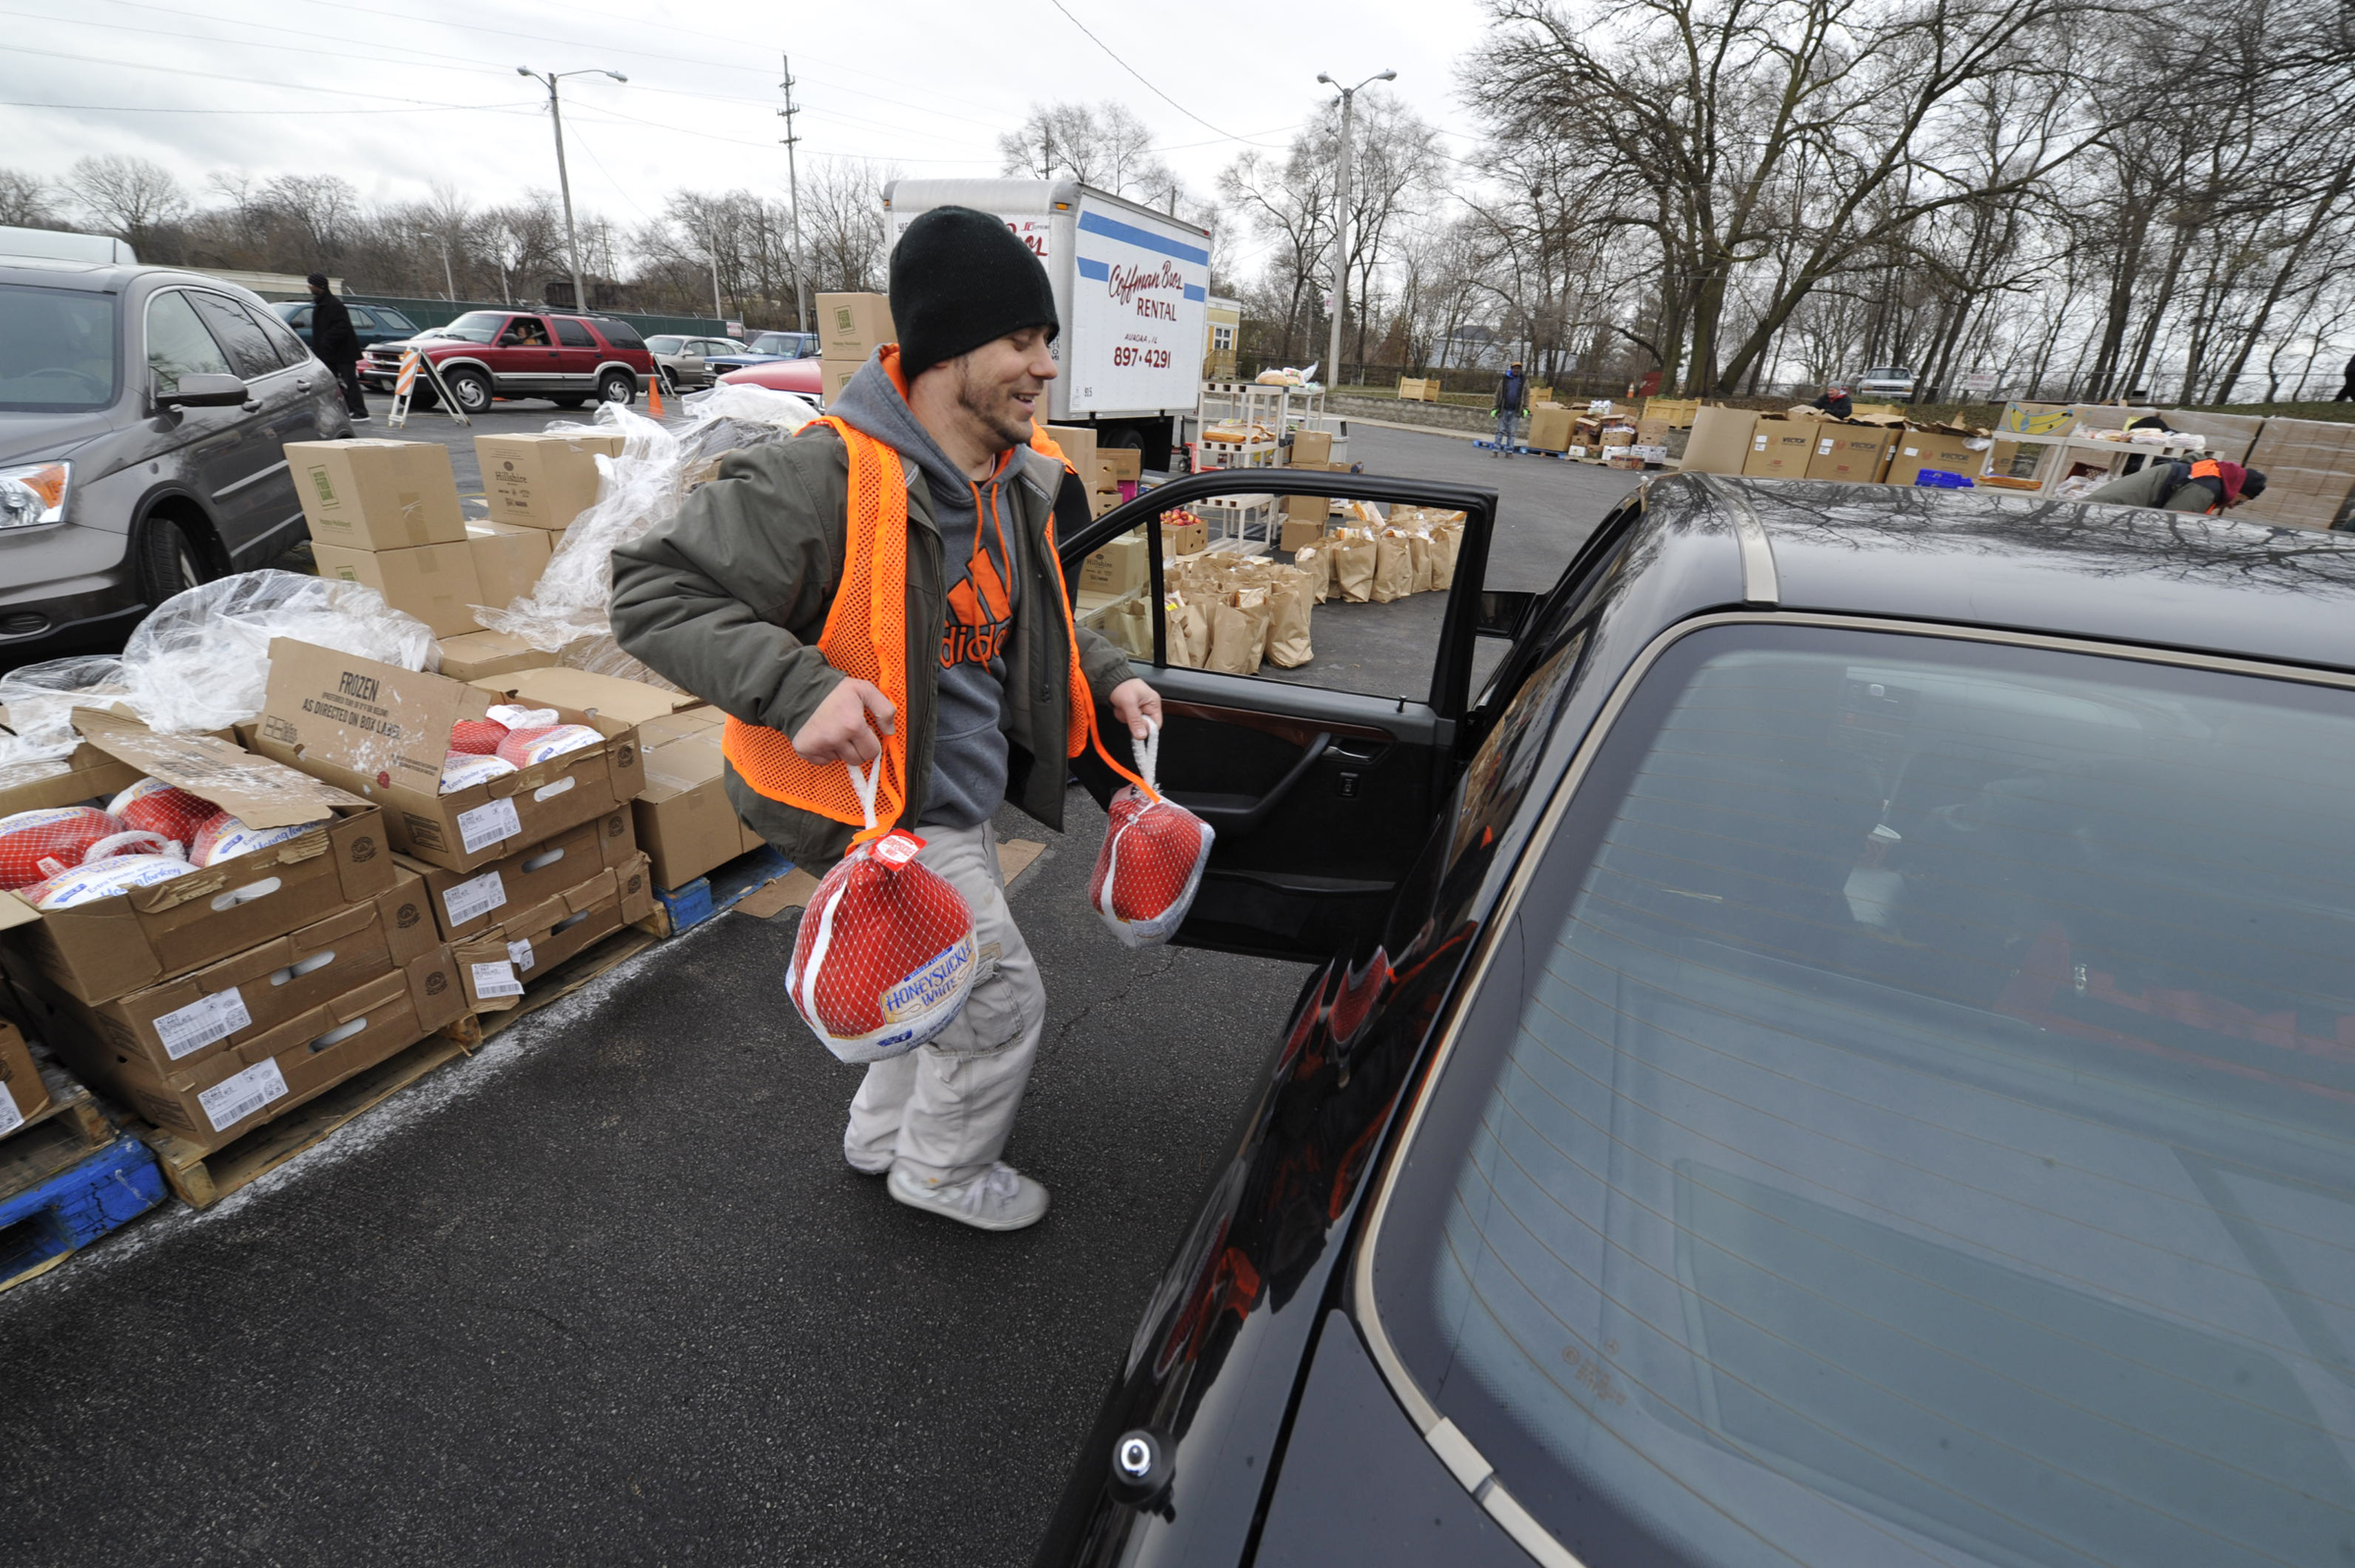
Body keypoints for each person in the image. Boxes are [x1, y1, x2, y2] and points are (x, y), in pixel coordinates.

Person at [609, 207, 1161, 1234]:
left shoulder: (1016, 473)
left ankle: (879, 1135)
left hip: (948, 792)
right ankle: (942, 1172)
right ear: (951, 349)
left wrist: (1110, 671)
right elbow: (651, 593)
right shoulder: (822, 476)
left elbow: (1029, 611)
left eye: (1048, 341)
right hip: (871, 796)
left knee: (935, 973)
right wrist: (799, 686)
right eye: (1022, 341)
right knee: (999, 1004)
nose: (1045, 367)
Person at [2082, 458, 2268, 514]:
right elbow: (2168, 526)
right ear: (2236, 488)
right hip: (2104, 512)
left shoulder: (2205, 475)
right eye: (2240, 501)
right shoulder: (2205, 488)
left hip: (2103, 508)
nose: (2232, 506)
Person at [304, 274, 367, 424]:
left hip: (342, 352)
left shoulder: (334, 305)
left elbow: (342, 327)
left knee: (349, 382)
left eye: (311, 284)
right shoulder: (321, 304)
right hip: (329, 353)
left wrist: (326, 340)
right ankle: (346, 408)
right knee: (332, 382)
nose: (309, 287)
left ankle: (359, 411)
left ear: (320, 286)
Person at [1491, 360, 1528, 455]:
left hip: (1516, 410)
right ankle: (1496, 450)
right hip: (1503, 408)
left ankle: (1509, 451)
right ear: (1511, 369)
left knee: (1512, 432)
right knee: (1500, 431)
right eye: (1515, 368)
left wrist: (1526, 408)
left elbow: (1527, 395)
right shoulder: (1504, 380)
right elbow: (1497, 394)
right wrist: (1494, 407)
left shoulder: (1523, 381)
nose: (1516, 370)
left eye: (1518, 368)